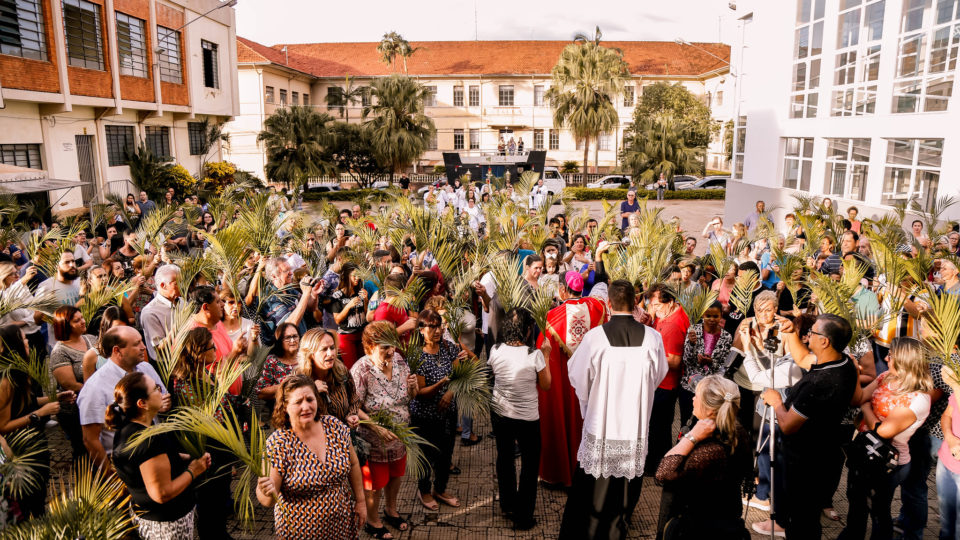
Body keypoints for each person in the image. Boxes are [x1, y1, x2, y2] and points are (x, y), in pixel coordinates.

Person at [559, 280, 668, 539]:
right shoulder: (653, 338)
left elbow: (577, 376)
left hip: (602, 423)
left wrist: (591, 401)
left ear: (609, 303)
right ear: (634, 304)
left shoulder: (595, 337)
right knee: (623, 494)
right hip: (634, 425)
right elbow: (659, 375)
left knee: (592, 492)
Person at [758, 313, 860, 539]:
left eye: (812, 331)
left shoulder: (818, 383)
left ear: (824, 341)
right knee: (809, 515)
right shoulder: (845, 363)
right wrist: (791, 333)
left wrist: (776, 402)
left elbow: (788, 426)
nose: (807, 335)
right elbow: (804, 358)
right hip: (825, 451)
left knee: (801, 520)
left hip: (805, 461)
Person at [838, 337, 931, 540]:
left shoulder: (918, 398)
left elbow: (882, 431)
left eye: (891, 355)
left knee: (878, 510)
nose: (886, 358)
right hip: (864, 453)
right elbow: (858, 397)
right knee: (856, 503)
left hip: (887, 464)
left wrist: (865, 408)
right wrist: (855, 372)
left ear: (906, 360)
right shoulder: (886, 377)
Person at [257, 375, 366, 540]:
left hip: (342, 525)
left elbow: (354, 463)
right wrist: (265, 491)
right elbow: (268, 501)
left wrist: (361, 501)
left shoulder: (334, 426)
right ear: (285, 406)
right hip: (301, 532)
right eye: (298, 402)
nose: (306, 407)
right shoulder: (278, 443)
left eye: (310, 399)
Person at [109, 372, 210, 539]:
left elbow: (145, 464)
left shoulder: (126, 429)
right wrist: (194, 470)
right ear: (142, 403)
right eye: (155, 388)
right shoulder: (149, 441)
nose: (161, 391)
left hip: (148, 518)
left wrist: (179, 457)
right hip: (166, 525)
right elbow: (161, 493)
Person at [655, 375, 751, 539]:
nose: (693, 399)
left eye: (697, 396)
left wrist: (692, 436)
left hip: (701, 529)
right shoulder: (737, 429)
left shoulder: (710, 451)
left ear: (710, 409)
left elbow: (662, 474)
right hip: (728, 518)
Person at [536, 271, 607, 487]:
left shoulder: (552, 317)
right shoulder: (596, 309)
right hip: (587, 381)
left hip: (561, 383)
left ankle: (558, 473)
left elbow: (542, 350)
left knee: (560, 418)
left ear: (562, 290)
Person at [351, 321, 418, 539]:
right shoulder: (361, 369)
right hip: (374, 439)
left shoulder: (398, 360)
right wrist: (376, 426)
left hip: (400, 434)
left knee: (397, 475)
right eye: (384, 347)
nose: (391, 351)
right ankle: (372, 520)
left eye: (392, 345)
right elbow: (354, 407)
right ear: (369, 347)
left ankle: (391, 510)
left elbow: (409, 397)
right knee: (375, 483)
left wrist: (413, 388)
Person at [488, 308, 551, 529]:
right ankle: (523, 517)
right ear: (527, 330)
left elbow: (494, 373)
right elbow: (546, 385)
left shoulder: (495, 350)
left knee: (504, 458)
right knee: (529, 465)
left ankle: (507, 504)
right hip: (527, 418)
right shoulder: (534, 355)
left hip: (501, 414)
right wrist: (548, 356)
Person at [0, 325, 72, 518]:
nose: (28, 343)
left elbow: (28, 404)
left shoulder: (20, 372)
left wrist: (56, 397)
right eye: (24, 340)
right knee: (29, 501)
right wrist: (39, 414)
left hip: (36, 443)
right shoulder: (6, 381)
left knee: (40, 496)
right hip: (20, 450)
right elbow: (3, 426)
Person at [78, 326, 169, 468]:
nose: (143, 347)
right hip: (127, 466)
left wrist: (163, 405)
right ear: (117, 351)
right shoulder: (94, 388)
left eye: (142, 342)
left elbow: (164, 399)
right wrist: (109, 476)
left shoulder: (146, 368)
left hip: (157, 453)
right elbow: (90, 440)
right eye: (136, 343)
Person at [409, 309, 469, 516]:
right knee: (425, 455)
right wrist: (442, 383)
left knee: (446, 453)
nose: (437, 330)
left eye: (439, 325)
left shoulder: (448, 348)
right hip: (424, 415)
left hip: (448, 412)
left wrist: (450, 392)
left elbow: (460, 374)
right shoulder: (416, 355)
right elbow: (421, 393)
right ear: (421, 330)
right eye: (432, 326)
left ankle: (440, 489)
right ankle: (424, 491)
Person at [644, 283, 691, 474]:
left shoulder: (672, 324)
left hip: (665, 385)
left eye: (657, 305)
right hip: (662, 383)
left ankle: (657, 466)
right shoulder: (670, 313)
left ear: (670, 301)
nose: (654, 310)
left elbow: (673, 361)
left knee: (658, 428)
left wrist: (646, 357)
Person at [48, 305, 96, 458]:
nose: (83, 321)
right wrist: (99, 391)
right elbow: (71, 384)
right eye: (77, 321)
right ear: (64, 325)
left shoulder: (91, 339)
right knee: (83, 449)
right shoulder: (60, 352)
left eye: (82, 318)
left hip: (98, 403)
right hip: (75, 409)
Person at [679, 302, 733, 426]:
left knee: (707, 426)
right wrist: (691, 345)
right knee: (686, 424)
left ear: (721, 316)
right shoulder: (694, 331)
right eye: (708, 316)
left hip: (711, 391)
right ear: (703, 315)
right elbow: (687, 360)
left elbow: (724, 367)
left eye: (715, 316)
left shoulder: (727, 337)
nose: (712, 320)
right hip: (690, 388)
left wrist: (711, 362)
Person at [297, 328, 360, 427]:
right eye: (324, 349)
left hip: (343, 433)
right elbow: (294, 413)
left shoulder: (341, 371)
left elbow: (353, 398)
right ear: (310, 354)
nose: (330, 353)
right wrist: (311, 391)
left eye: (332, 347)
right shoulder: (299, 379)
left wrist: (351, 415)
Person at [140, 264, 182, 363]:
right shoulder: (150, 312)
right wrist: (179, 326)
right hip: (167, 366)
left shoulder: (183, 302)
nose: (182, 285)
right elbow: (159, 346)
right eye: (177, 283)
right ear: (163, 285)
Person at [331, 263, 369, 368]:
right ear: (347, 276)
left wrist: (366, 301)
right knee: (352, 368)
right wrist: (348, 306)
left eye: (359, 275)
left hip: (362, 335)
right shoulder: (337, 295)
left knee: (365, 366)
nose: (357, 278)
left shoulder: (361, 292)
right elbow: (337, 320)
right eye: (354, 276)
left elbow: (367, 316)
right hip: (346, 337)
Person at [254, 323, 301, 408]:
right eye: (287, 337)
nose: (292, 340)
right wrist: (287, 385)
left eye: (295, 336)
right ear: (280, 340)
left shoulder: (305, 358)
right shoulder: (273, 361)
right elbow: (260, 392)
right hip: (278, 410)